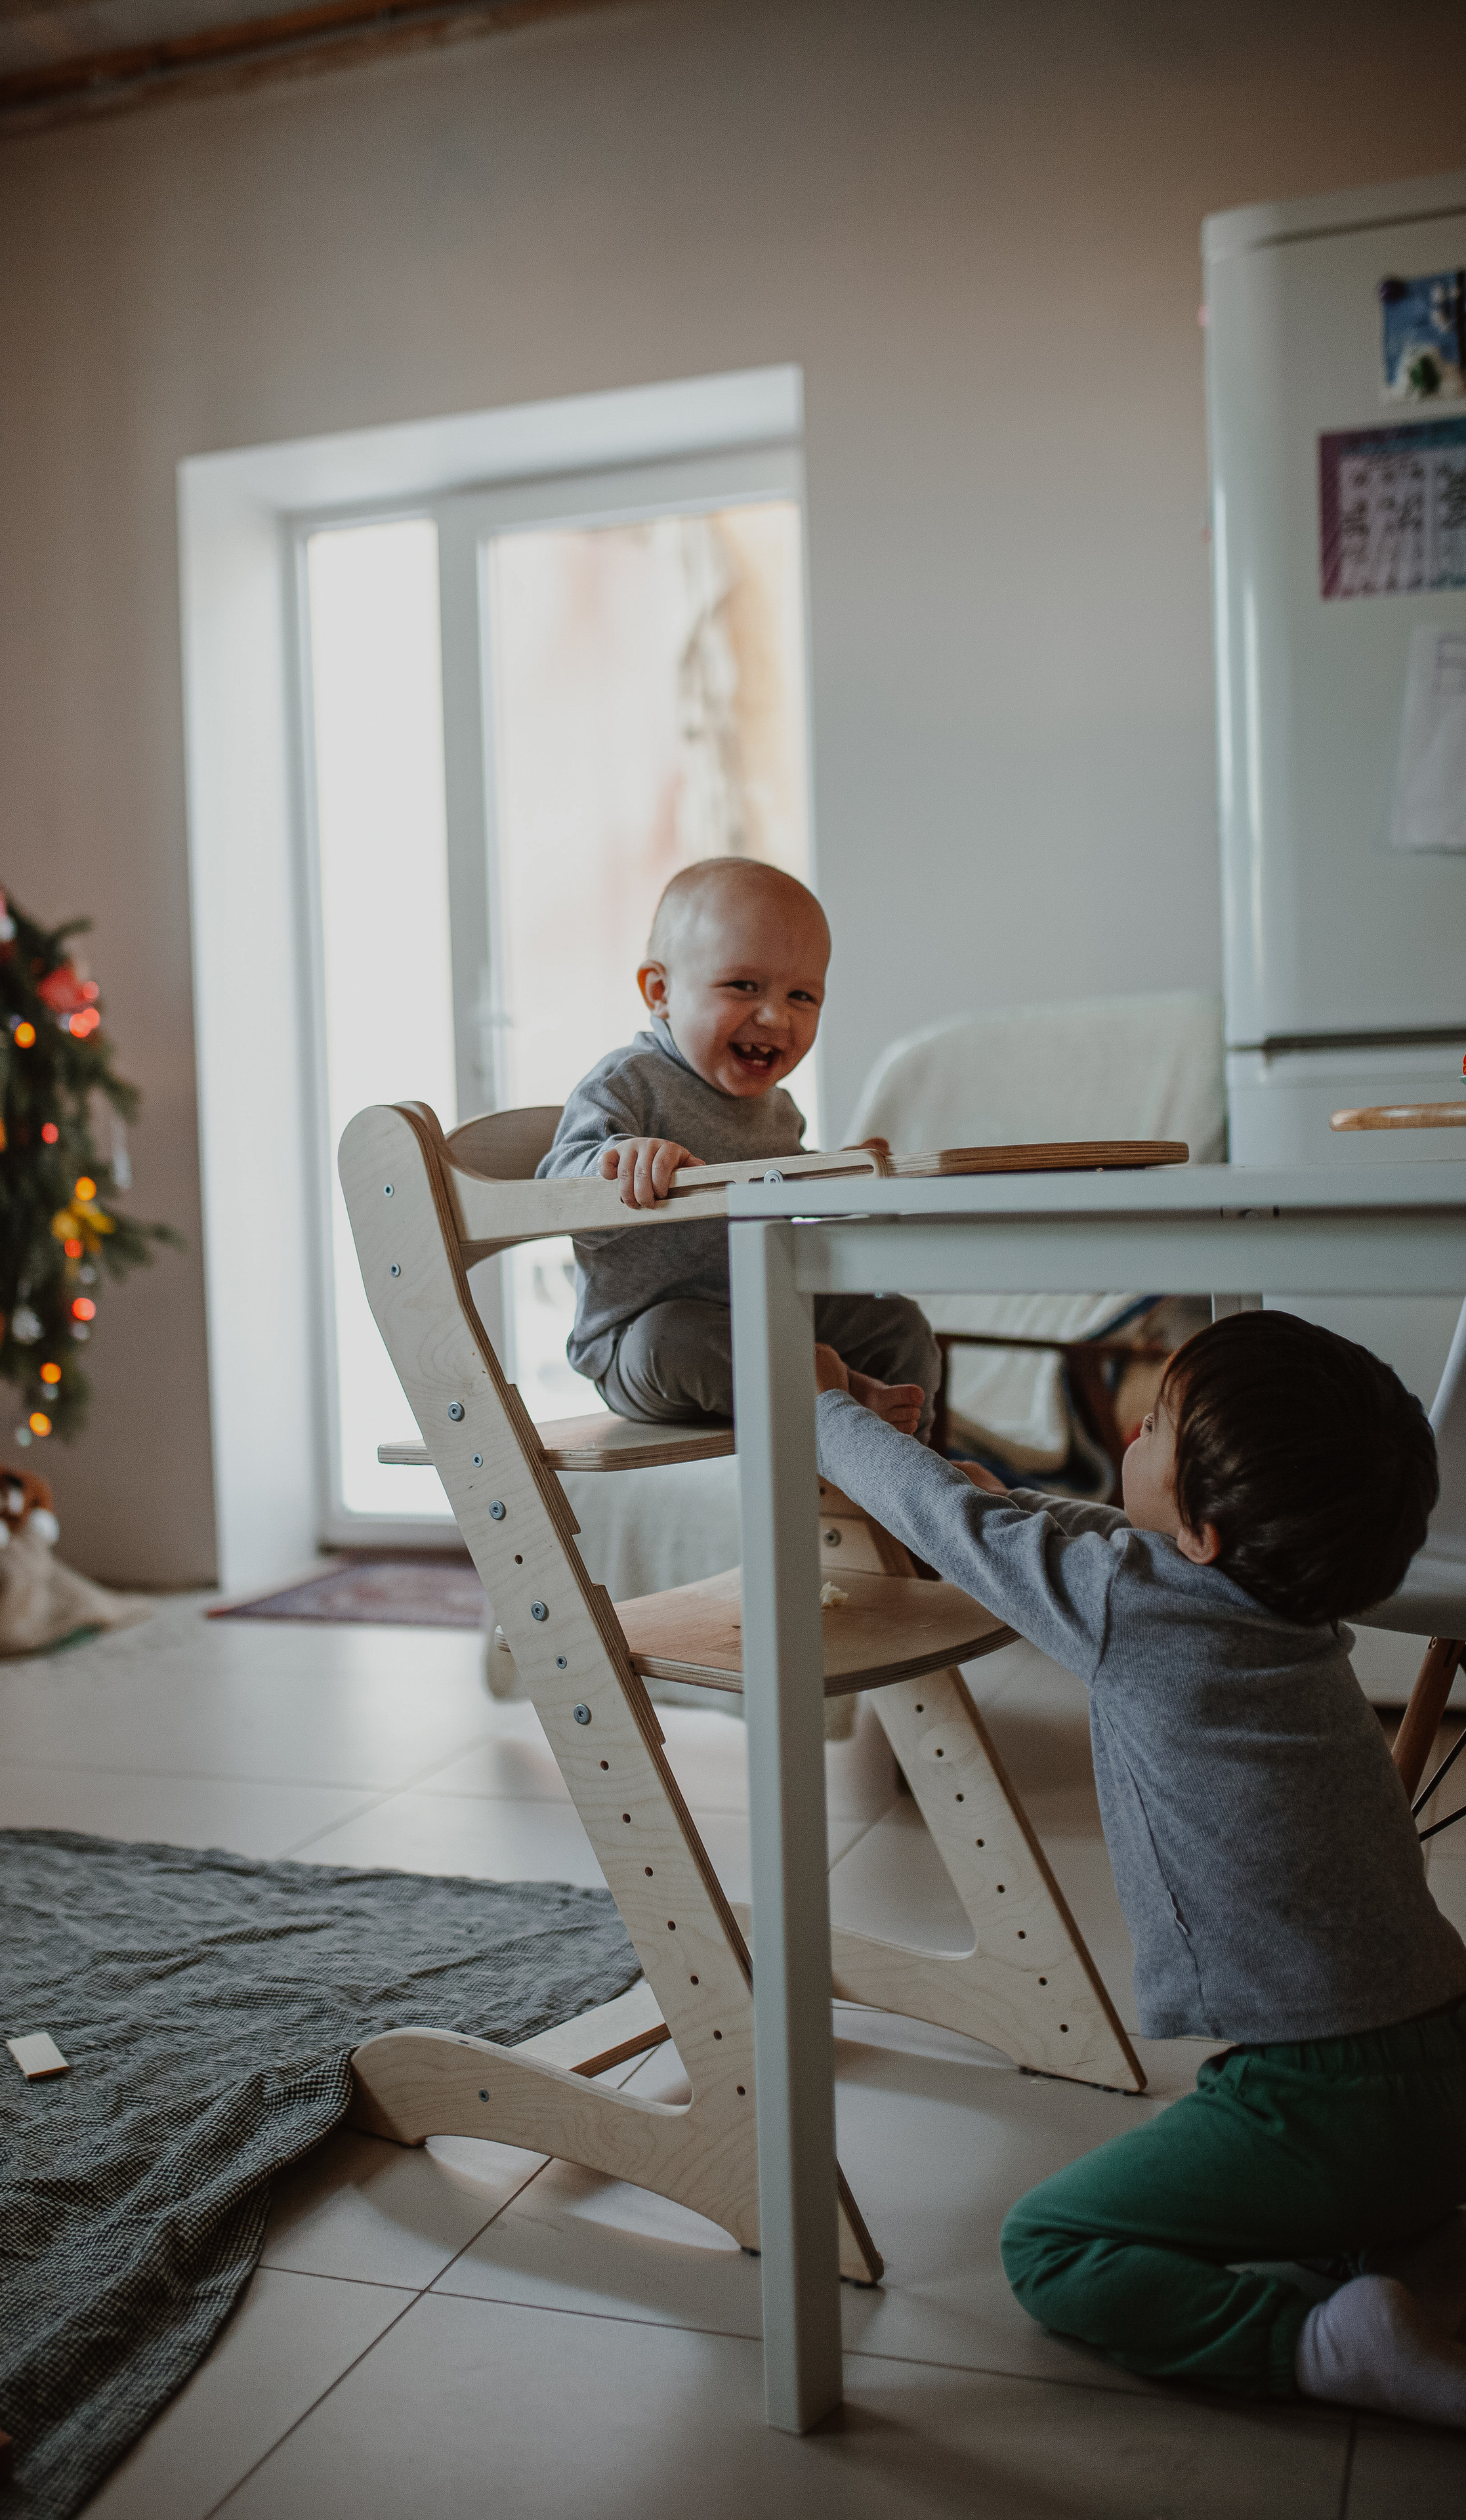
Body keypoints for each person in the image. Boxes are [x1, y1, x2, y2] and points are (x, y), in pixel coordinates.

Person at [814, 1306, 1466, 2424]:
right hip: (1444, 2054)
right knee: (1362, 2183)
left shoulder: (1136, 1611)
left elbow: (951, 1521)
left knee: (1052, 2243)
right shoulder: (1293, 1604)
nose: (1134, 1434)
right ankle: (1394, 2233)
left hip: (1321, 2098)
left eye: (1158, 1425)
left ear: (1208, 1530)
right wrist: (988, 1491)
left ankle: (1323, 2345)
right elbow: (1086, 1539)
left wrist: (818, 1409)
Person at [536, 856, 939, 1429]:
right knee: (676, 1336)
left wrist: (843, 1180)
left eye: (803, 996)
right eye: (743, 986)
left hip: (764, 1309)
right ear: (661, 992)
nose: (775, 1016)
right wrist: (614, 1163)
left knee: (898, 1324)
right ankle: (836, 1400)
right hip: (640, 1344)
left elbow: (789, 1203)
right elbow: (556, 1195)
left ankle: (909, 1481)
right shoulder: (627, 1083)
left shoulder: (777, 1110)